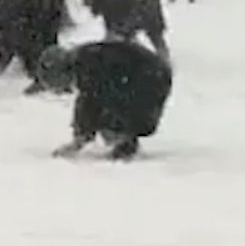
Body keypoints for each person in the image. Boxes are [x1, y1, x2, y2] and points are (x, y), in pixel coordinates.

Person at [52, 31, 173, 161]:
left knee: (110, 110)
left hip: (150, 78)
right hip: (151, 75)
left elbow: (92, 101)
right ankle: (124, 139)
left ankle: (125, 142)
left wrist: (82, 137)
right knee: (108, 110)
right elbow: (90, 100)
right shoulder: (87, 59)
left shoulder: (89, 64)